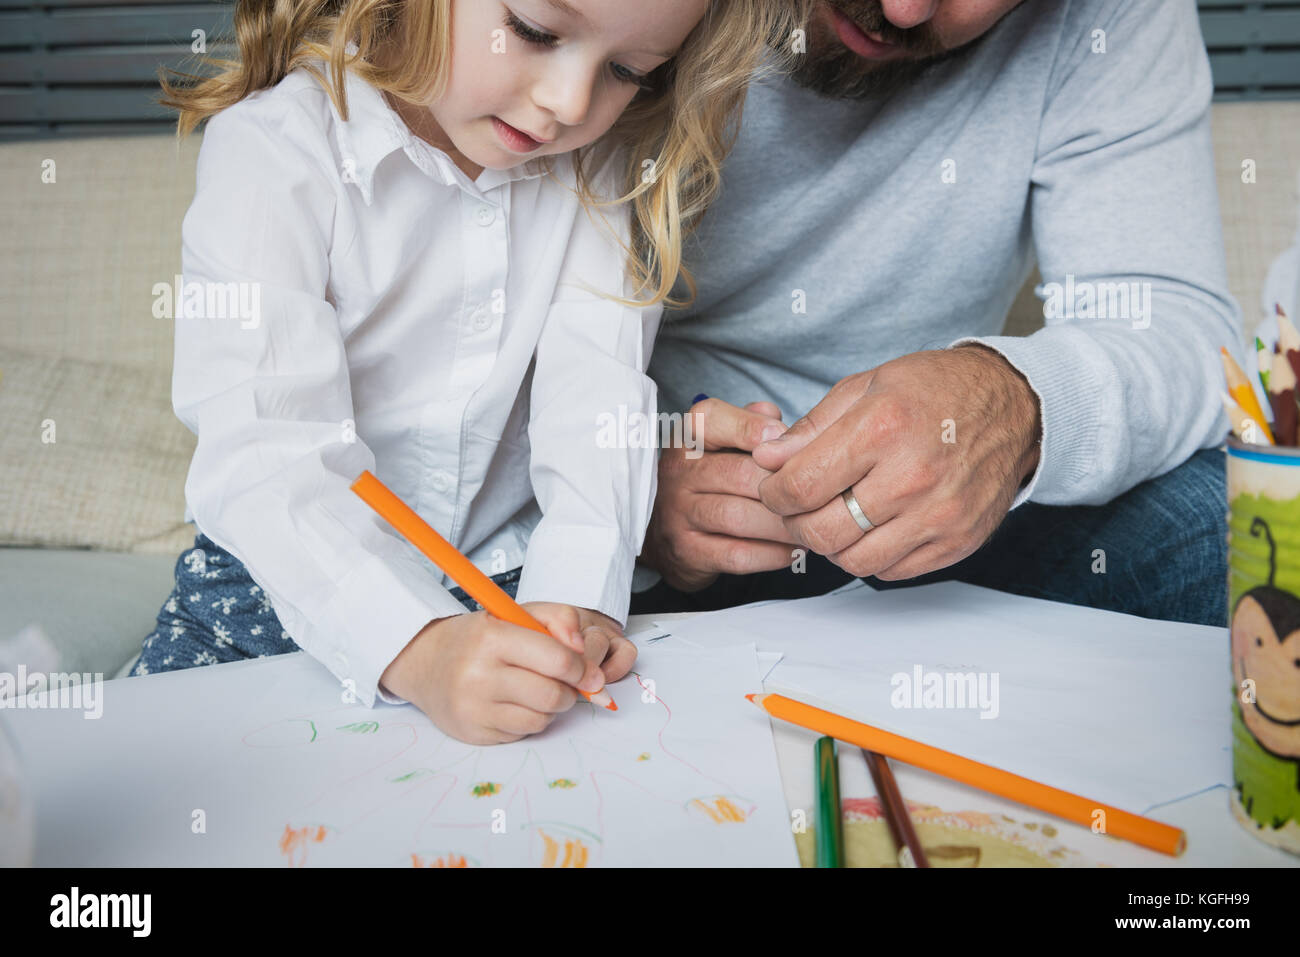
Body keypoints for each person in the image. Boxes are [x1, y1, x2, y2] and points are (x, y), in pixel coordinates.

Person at [129, 0, 804, 744]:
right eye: (536, 32)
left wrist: (580, 595)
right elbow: (265, 453)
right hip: (277, 585)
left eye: (626, 71)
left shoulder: (600, 165)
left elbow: (596, 398)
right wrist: (419, 646)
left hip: (507, 582)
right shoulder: (273, 151)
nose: (569, 103)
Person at [635, 0, 1237, 627]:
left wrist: (1014, 403)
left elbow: (1174, 320)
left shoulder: (1119, 15)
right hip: (658, 524)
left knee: (1218, 530)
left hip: (964, 519)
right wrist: (622, 486)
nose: (903, 9)